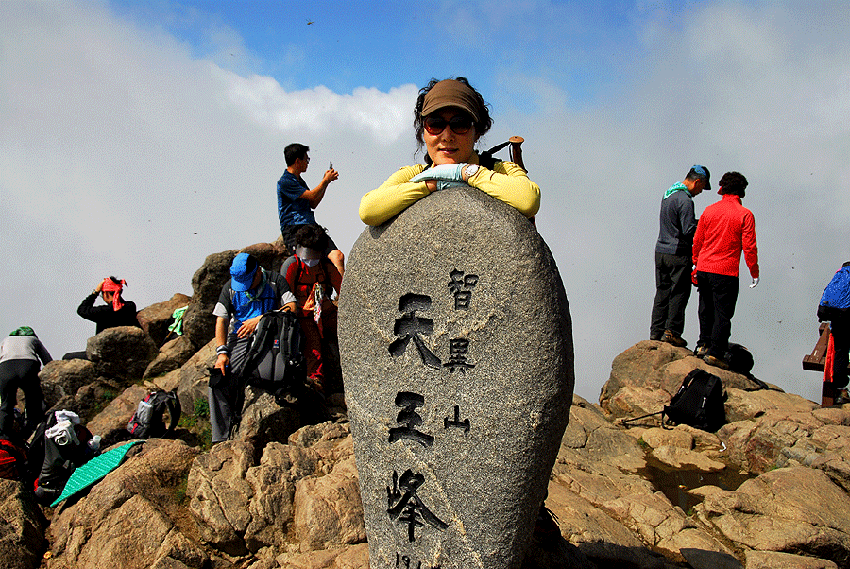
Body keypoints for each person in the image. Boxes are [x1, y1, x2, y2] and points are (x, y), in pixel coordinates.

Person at [359, 77, 540, 227]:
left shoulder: (501, 169)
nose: (447, 136)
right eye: (435, 124)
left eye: (459, 124)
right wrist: (431, 184)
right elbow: (369, 210)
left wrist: (466, 173)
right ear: (424, 132)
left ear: (477, 132)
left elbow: (528, 200)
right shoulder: (413, 174)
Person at [210, 253, 291, 443]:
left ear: (257, 273)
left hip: (269, 335)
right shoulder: (230, 288)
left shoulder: (274, 280)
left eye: (248, 281)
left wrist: (261, 319)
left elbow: (291, 307)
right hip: (239, 337)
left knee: (257, 372)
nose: (244, 287)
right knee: (218, 380)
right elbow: (221, 320)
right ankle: (220, 439)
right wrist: (222, 353)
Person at [692, 171, 759, 370]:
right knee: (722, 314)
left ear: (722, 188)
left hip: (704, 267)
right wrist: (754, 271)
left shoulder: (709, 210)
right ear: (742, 191)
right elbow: (749, 247)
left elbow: (698, 240)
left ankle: (703, 345)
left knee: (705, 309)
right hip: (726, 271)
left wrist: (695, 263)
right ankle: (715, 352)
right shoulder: (745, 215)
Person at [649, 165, 710, 346]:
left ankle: (656, 331)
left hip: (661, 250)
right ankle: (672, 332)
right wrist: (705, 226)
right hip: (678, 253)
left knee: (662, 292)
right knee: (679, 293)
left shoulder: (669, 194)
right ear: (697, 181)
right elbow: (688, 229)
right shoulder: (685, 200)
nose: (701, 192)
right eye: (702, 187)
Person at [280, 225, 343, 395]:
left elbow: (344, 291)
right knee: (314, 349)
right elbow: (284, 302)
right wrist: (303, 308)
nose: (310, 260)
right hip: (302, 317)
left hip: (326, 312)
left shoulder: (326, 266)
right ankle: (316, 385)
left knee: (348, 330)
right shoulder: (292, 266)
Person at [277, 143, 345, 277]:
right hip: (294, 229)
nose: (308, 163)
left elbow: (313, 203)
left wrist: (326, 182)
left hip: (310, 227)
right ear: (298, 161)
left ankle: (343, 297)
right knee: (309, 266)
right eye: (306, 159)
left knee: (338, 256)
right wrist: (325, 181)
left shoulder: (299, 181)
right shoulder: (285, 181)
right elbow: (312, 195)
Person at [64, 277, 139, 360]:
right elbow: (120, 305)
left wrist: (95, 292)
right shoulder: (131, 306)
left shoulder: (103, 311)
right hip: (126, 352)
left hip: (103, 355)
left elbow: (81, 310)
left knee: (66, 357)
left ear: (106, 294)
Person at [0, 326, 51, 440]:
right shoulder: (33, 340)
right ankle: (32, 430)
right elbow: (47, 360)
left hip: (5, 368)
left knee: (5, 405)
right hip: (27, 365)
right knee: (32, 399)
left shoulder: (6, 340)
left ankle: (3, 436)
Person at [818, 260, 850, 403]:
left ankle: (840, 389)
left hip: (836, 317)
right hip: (847, 314)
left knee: (840, 350)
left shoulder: (839, 275)